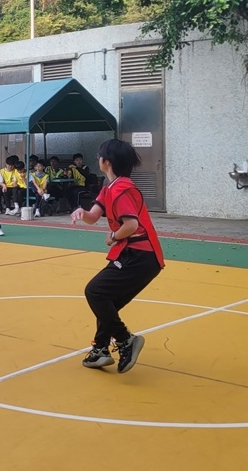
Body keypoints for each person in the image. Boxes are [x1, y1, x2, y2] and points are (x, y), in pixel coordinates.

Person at [71, 139, 165, 373]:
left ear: (107, 162)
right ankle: (100, 350)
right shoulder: (109, 188)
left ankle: (125, 340)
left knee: (95, 291)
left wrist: (113, 236)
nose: (98, 159)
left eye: (99, 155)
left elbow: (131, 225)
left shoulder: (122, 190)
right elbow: (93, 216)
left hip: (141, 255)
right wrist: (82, 212)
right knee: (106, 303)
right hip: (136, 255)